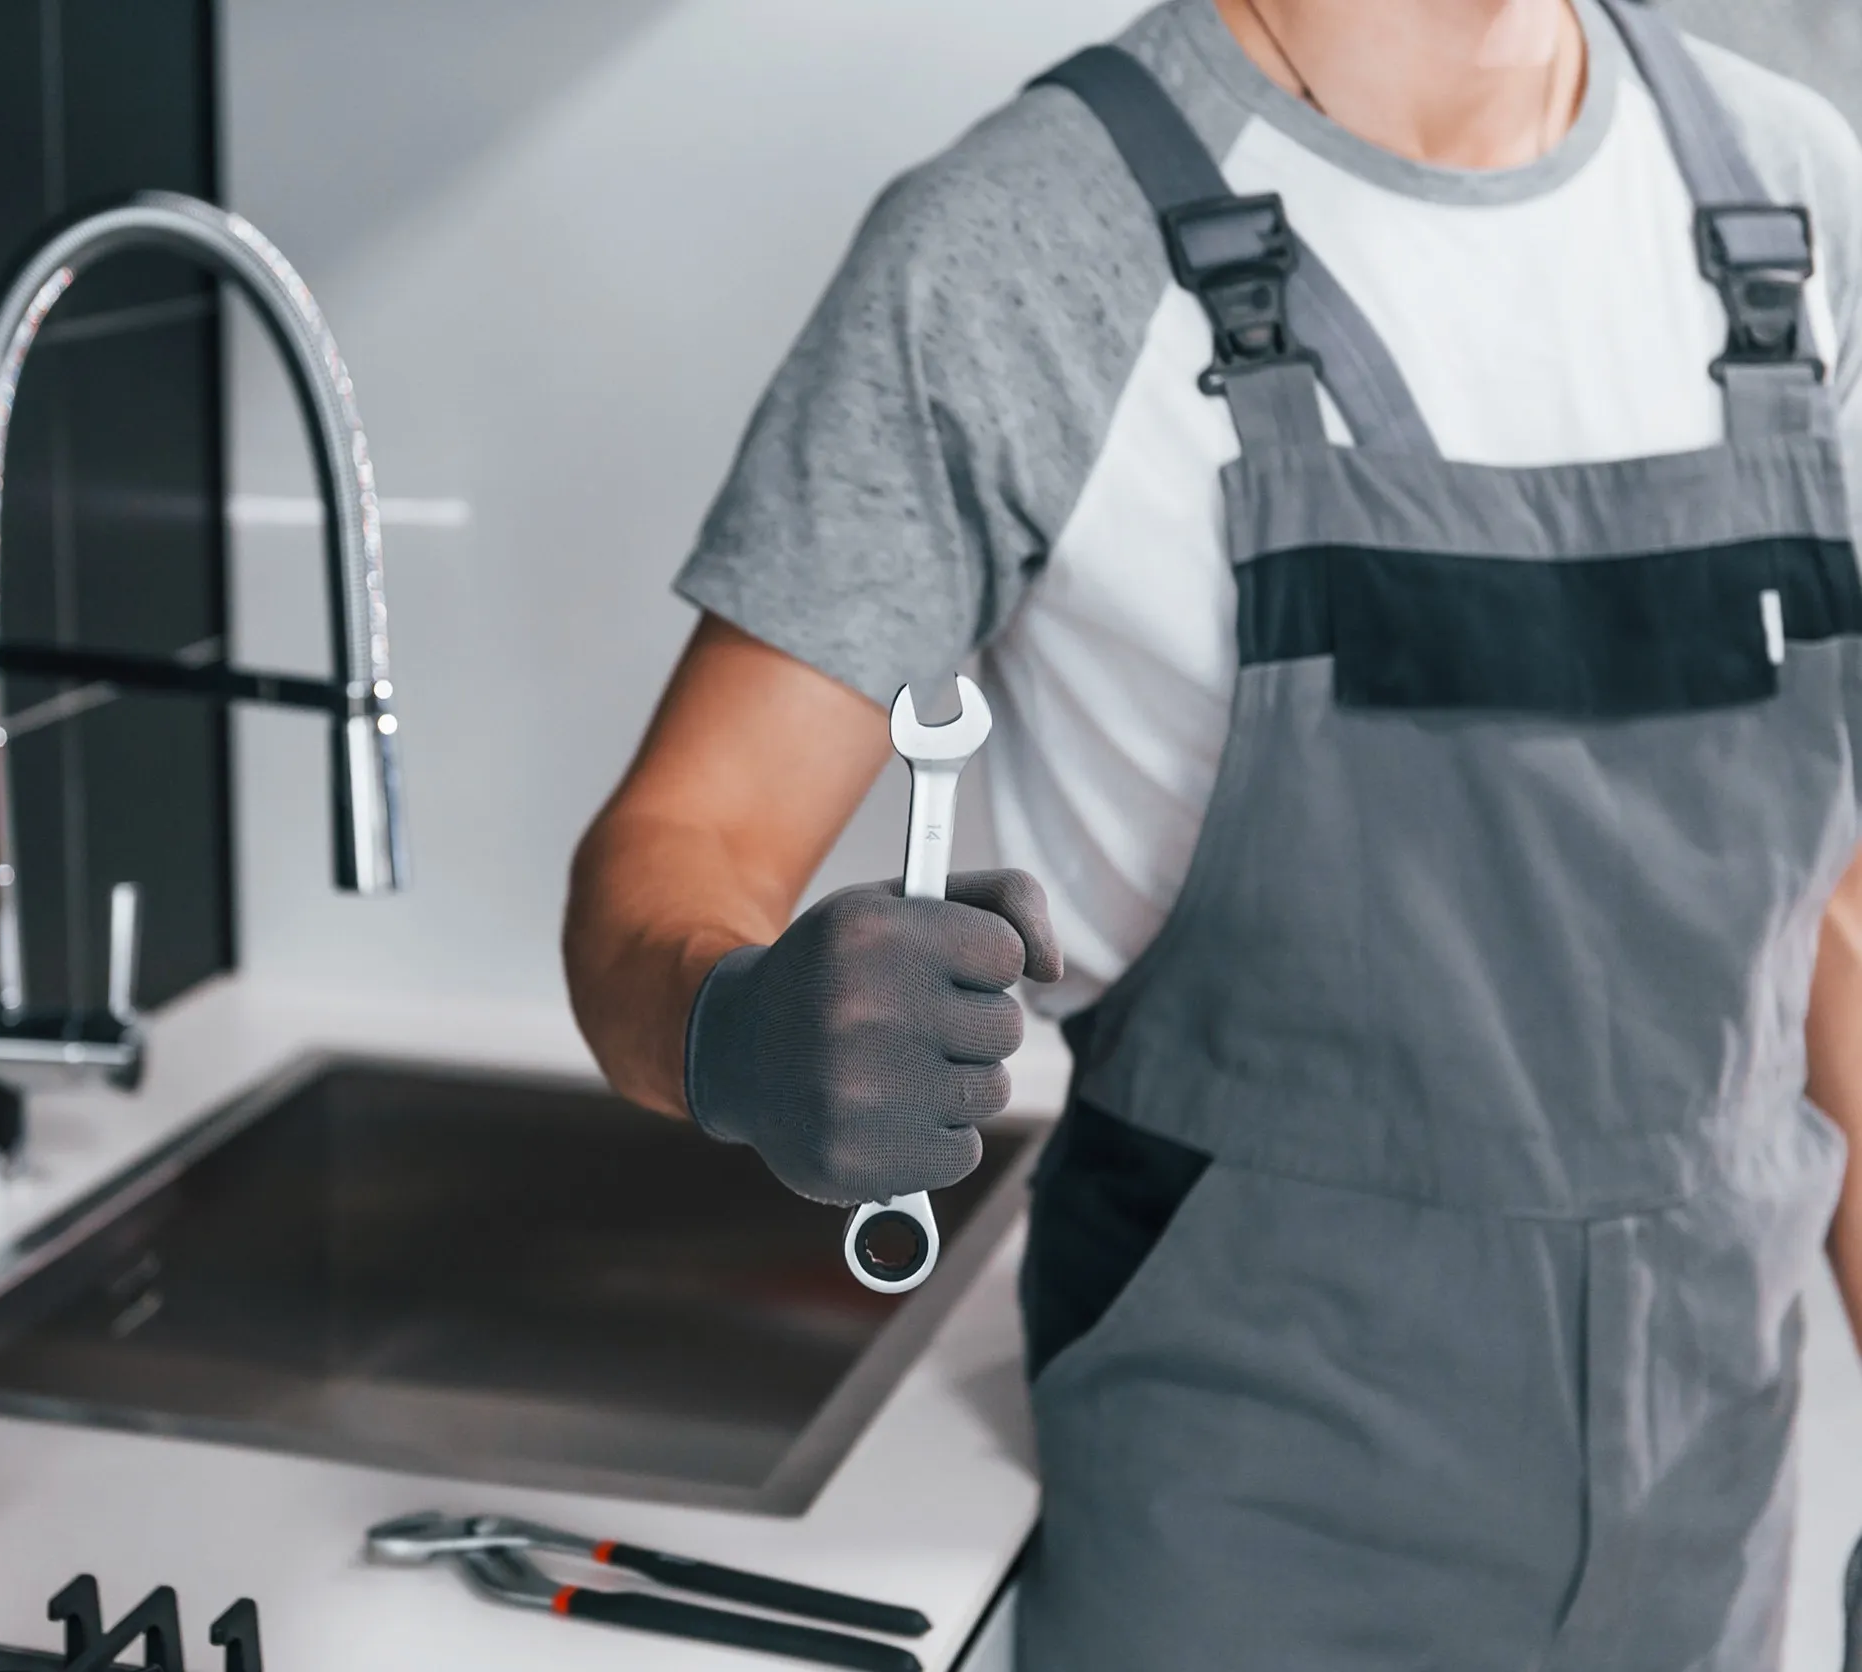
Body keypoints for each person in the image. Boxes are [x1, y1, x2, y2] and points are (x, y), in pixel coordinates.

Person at [561, 0, 1862, 1663]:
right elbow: (671, 855)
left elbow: (1837, 912)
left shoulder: (1790, 191)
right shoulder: (1024, 247)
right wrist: (736, 1027)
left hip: (1711, 1529)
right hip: (1240, 1533)